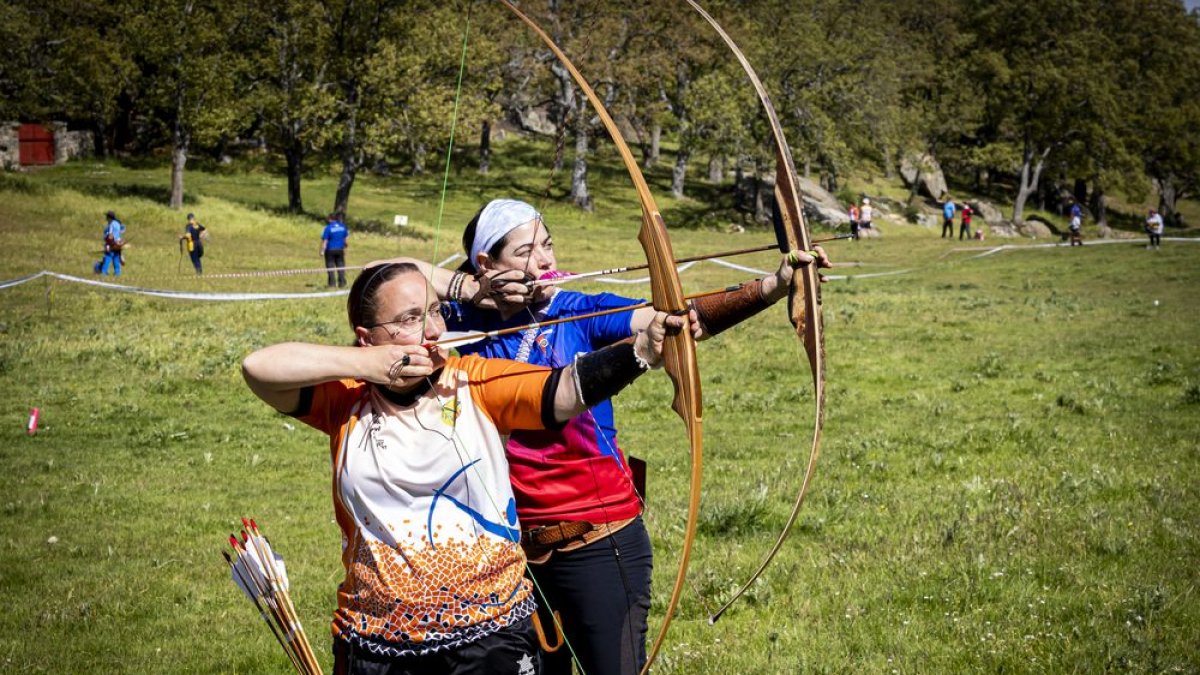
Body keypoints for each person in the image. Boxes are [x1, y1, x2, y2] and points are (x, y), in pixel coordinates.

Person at [378, 198, 830, 675]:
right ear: (488, 263)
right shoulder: (455, 323)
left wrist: (777, 285)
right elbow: (382, 271)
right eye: (527, 251)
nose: (546, 261)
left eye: (547, 245)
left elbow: (676, 319)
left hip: (595, 537)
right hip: (503, 550)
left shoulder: (579, 311)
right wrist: (470, 289)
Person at [242, 262, 678, 675]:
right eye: (410, 318)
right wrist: (364, 365)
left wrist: (640, 350)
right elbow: (258, 367)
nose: (433, 330)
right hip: (376, 639)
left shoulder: (475, 381)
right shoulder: (342, 399)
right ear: (367, 336)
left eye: (434, 311)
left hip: (492, 634)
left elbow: (562, 391)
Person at [321, 212, 350, 288]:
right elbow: (346, 239)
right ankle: (342, 283)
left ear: (330, 219)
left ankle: (332, 284)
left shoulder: (328, 228)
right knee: (341, 267)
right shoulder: (343, 227)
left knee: (330, 267)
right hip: (340, 250)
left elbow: (325, 241)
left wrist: (322, 250)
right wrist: (345, 245)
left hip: (330, 250)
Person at [97, 210, 125, 276]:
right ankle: (117, 273)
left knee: (108, 257)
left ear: (109, 217)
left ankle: (104, 272)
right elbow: (122, 231)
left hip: (112, 244)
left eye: (107, 217)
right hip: (118, 243)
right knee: (116, 258)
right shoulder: (118, 223)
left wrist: (108, 245)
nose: (106, 218)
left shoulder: (111, 224)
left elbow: (110, 235)